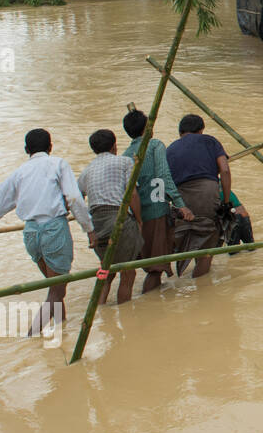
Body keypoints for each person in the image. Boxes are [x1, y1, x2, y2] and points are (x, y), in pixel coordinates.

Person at [0, 129, 95, 337]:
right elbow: (75, 199)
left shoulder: (20, 172)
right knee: (57, 290)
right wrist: (89, 229)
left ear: (26, 150)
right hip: (53, 230)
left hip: (31, 232)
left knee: (56, 289)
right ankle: (31, 336)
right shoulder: (58, 164)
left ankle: (62, 331)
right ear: (50, 147)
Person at [121, 108, 194, 271]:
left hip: (139, 216)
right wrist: (180, 204)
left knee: (150, 264)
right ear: (147, 127)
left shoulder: (126, 155)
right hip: (157, 210)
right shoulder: (154, 145)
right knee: (156, 269)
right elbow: (163, 176)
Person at [77, 129, 145, 304]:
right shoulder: (124, 162)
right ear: (114, 146)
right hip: (118, 219)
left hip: (96, 223)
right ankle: (124, 311)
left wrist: (88, 229)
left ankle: (100, 311)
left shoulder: (86, 171)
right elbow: (132, 195)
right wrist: (138, 220)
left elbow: (76, 200)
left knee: (106, 270)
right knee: (128, 271)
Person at [167, 114, 231, 279]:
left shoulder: (171, 149)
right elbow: (224, 170)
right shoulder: (210, 141)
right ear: (201, 130)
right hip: (207, 193)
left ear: (181, 132)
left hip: (181, 199)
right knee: (207, 245)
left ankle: (191, 280)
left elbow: (166, 181)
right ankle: (201, 285)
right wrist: (226, 202)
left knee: (189, 236)